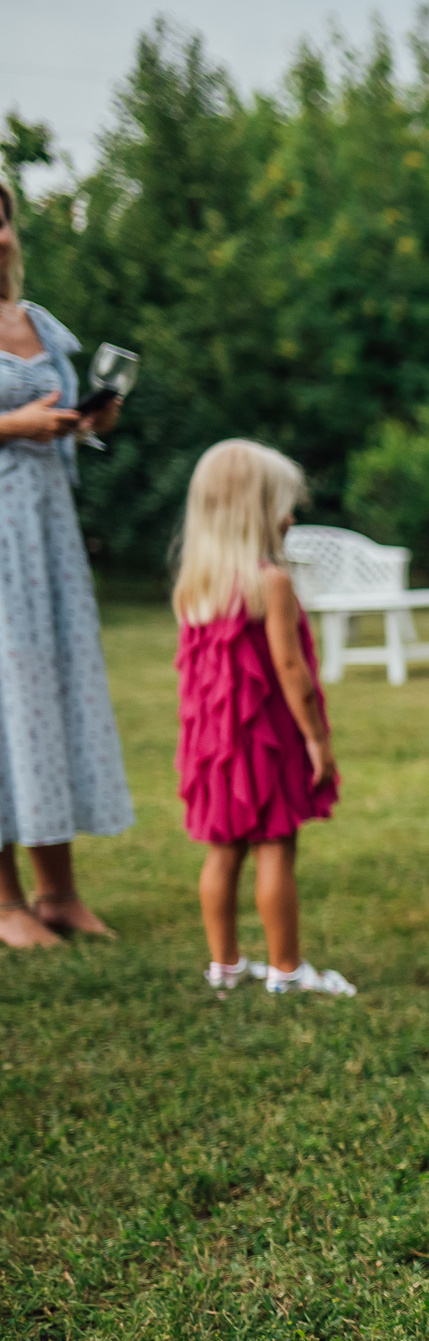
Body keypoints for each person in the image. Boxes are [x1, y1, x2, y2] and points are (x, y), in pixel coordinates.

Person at [0, 172, 132, 948]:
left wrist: (85, 422)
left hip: (47, 536)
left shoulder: (37, 322)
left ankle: (59, 889)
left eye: (4, 218)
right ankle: (4, 899)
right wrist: (15, 425)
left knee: (51, 696)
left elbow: (56, 423)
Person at [172, 441, 353, 996]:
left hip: (212, 746)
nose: (291, 518)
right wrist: (317, 741)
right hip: (264, 740)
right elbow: (290, 670)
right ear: (255, 512)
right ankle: (287, 970)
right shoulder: (269, 582)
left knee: (222, 851)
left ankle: (224, 965)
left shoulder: (196, 583)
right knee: (277, 847)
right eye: (282, 505)